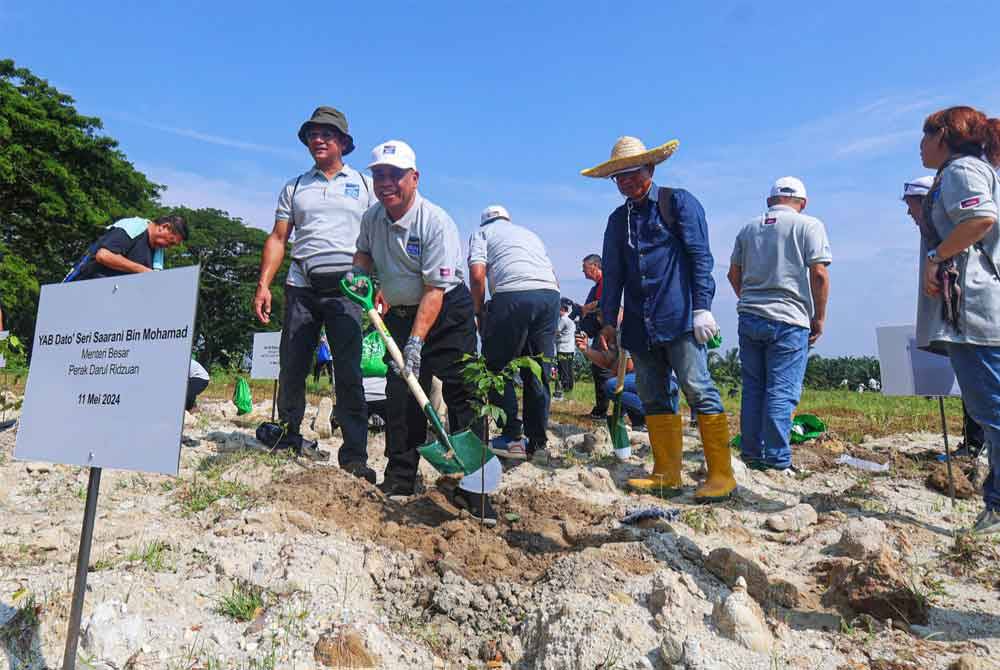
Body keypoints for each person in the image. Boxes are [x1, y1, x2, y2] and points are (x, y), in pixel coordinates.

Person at [350, 140, 500, 524]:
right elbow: (364, 253)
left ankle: (477, 490)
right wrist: (360, 273)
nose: (386, 183)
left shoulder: (435, 222)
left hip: (447, 312)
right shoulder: (372, 219)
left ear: (413, 178)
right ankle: (400, 477)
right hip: (399, 313)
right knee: (400, 394)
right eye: (379, 175)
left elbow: (435, 290)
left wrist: (415, 344)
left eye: (395, 175)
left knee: (462, 393)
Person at [582, 135, 735, 501]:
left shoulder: (677, 203)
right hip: (638, 323)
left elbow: (700, 257)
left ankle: (722, 475)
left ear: (649, 169)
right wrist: (607, 321)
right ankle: (667, 471)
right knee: (652, 394)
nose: (627, 181)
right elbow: (614, 274)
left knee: (698, 388)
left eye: (633, 173)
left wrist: (703, 307)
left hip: (680, 316)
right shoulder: (618, 220)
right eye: (619, 177)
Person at [252, 107, 376, 476]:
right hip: (302, 285)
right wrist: (263, 284)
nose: (317, 140)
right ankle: (290, 434)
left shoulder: (364, 185)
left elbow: (376, 238)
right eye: (312, 134)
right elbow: (278, 238)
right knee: (292, 365)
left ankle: (354, 455)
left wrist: (378, 284)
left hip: (348, 290)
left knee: (349, 371)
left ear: (342, 142)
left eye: (326, 134)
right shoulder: (294, 186)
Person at [915, 105, 1000, 534]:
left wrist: (937, 255)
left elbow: (981, 218)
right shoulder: (968, 169)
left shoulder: (961, 171)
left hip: (977, 312)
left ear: (944, 136)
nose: (920, 145)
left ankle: (998, 506)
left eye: (926, 135)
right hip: (973, 312)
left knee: (992, 410)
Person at [727, 177, 832, 472]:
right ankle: (776, 461)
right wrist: (819, 318)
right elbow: (820, 274)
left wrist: (750, 300)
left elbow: (733, 274)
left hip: (750, 316)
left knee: (754, 389)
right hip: (789, 319)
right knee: (781, 391)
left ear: (770, 200)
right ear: (803, 202)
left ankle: (751, 454)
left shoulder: (748, 228)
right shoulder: (808, 225)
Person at [903, 176, 987, 459]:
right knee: (972, 384)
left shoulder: (946, 233)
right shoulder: (937, 232)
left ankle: (978, 446)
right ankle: (976, 444)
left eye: (911, 205)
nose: (909, 213)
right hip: (960, 322)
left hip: (971, 321)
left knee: (978, 383)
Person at [468, 204, 560, 459]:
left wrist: (478, 312)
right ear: (508, 219)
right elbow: (553, 276)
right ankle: (537, 442)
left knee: (495, 366)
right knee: (537, 370)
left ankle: (511, 436)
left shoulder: (482, 234)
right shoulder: (529, 234)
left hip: (512, 294)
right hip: (550, 295)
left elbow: (477, 275)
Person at [575, 328, 679, 430]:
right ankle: (641, 423)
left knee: (613, 386)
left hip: (664, 381)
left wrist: (613, 368)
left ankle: (657, 412)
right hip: (652, 380)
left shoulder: (628, 328)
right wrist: (586, 349)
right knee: (619, 386)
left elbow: (628, 367)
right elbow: (608, 362)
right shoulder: (618, 331)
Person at [66, 215, 188, 281]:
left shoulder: (157, 253)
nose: (169, 247)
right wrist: (142, 270)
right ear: (164, 227)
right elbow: (104, 255)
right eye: (171, 242)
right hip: (84, 286)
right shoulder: (134, 226)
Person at [579, 254, 613, 420]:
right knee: (599, 368)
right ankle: (602, 408)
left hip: (607, 331)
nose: (583, 271)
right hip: (601, 330)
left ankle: (603, 410)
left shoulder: (606, 283)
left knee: (602, 369)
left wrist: (587, 308)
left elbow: (604, 303)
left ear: (594, 266)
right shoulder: (598, 285)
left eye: (584, 267)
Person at [554, 300, 577, 400]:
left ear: (562, 309)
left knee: (562, 371)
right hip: (571, 349)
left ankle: (562, 393)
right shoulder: (571, 321)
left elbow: (556, 332)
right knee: (569, 370)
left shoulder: (563, 320)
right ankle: (569, 390)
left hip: (563, 349)